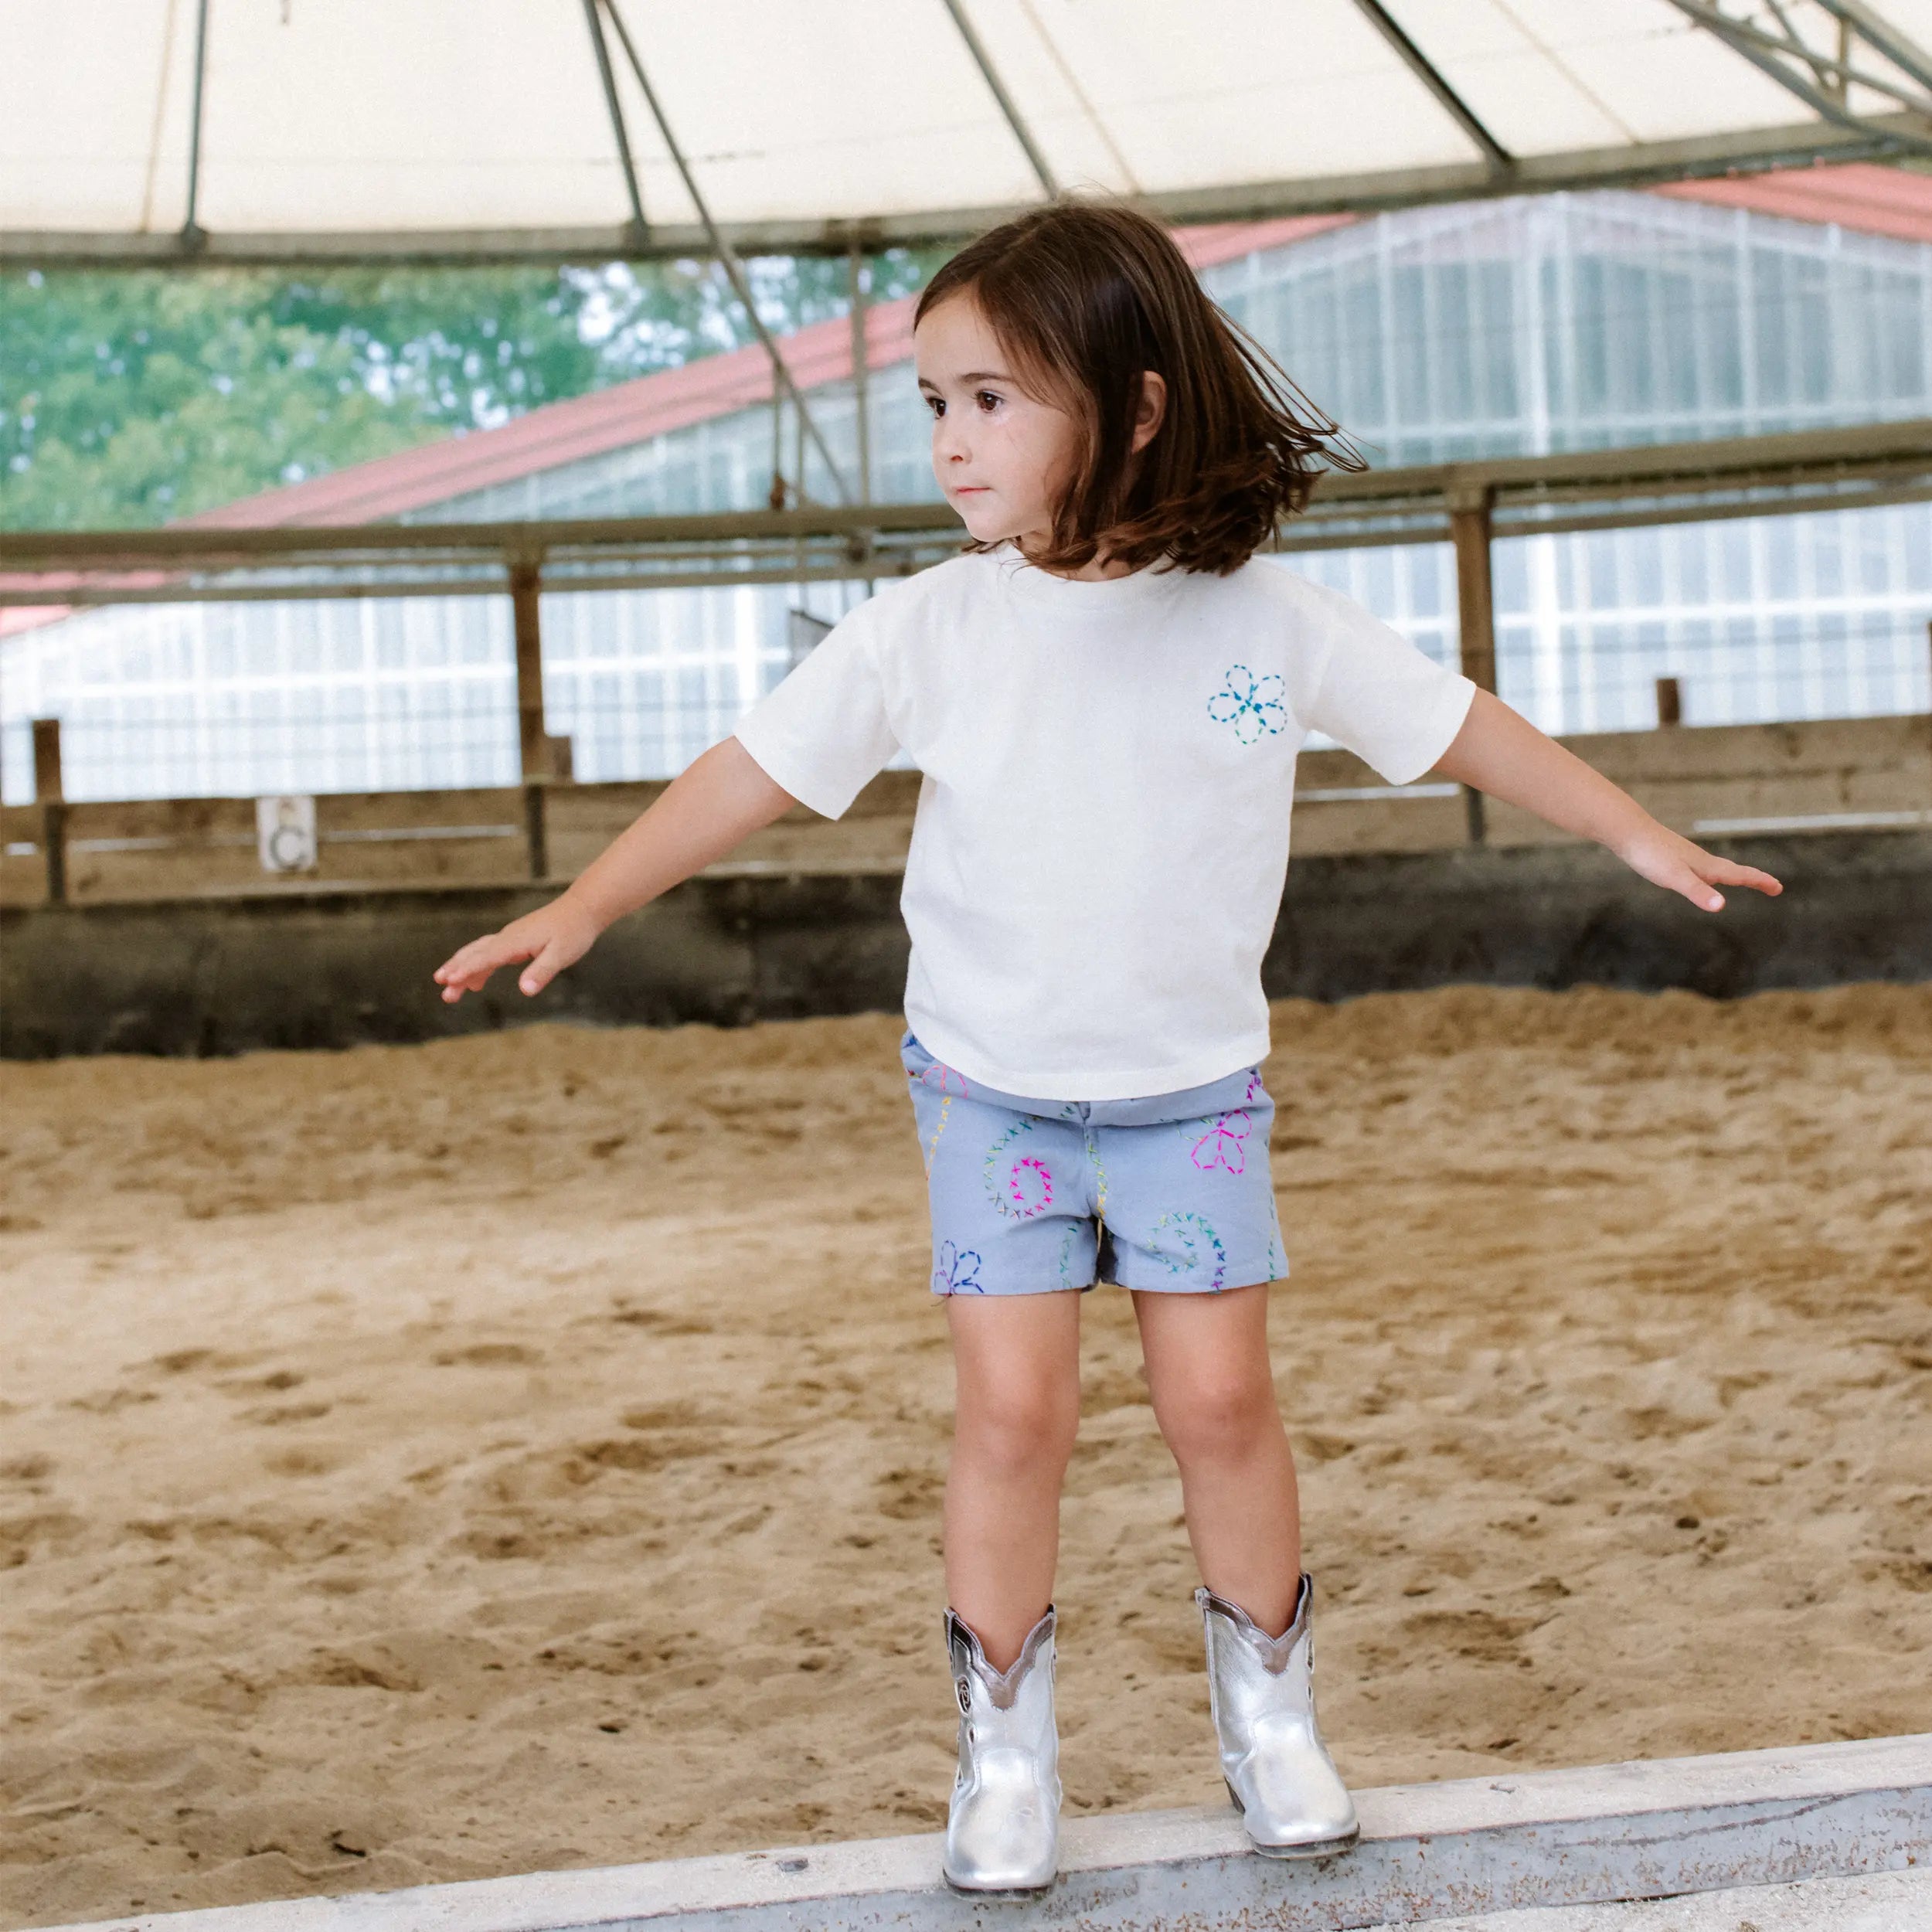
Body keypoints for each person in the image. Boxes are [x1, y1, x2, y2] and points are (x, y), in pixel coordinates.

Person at [431, 201, 1782, 1896]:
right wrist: (586, 903)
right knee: (1014, 1415)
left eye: (989, 399)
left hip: (1187, 1094)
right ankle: (1003, 1754)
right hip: (988, 1083)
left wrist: (1633, 830)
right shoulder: (928, 627)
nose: (947, 440)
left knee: (1218, 1399)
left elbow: (1456, 725)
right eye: (931, 402)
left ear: (1133, 406)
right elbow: (747, 771)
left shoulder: (1259, 625)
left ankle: (1271, 1725)